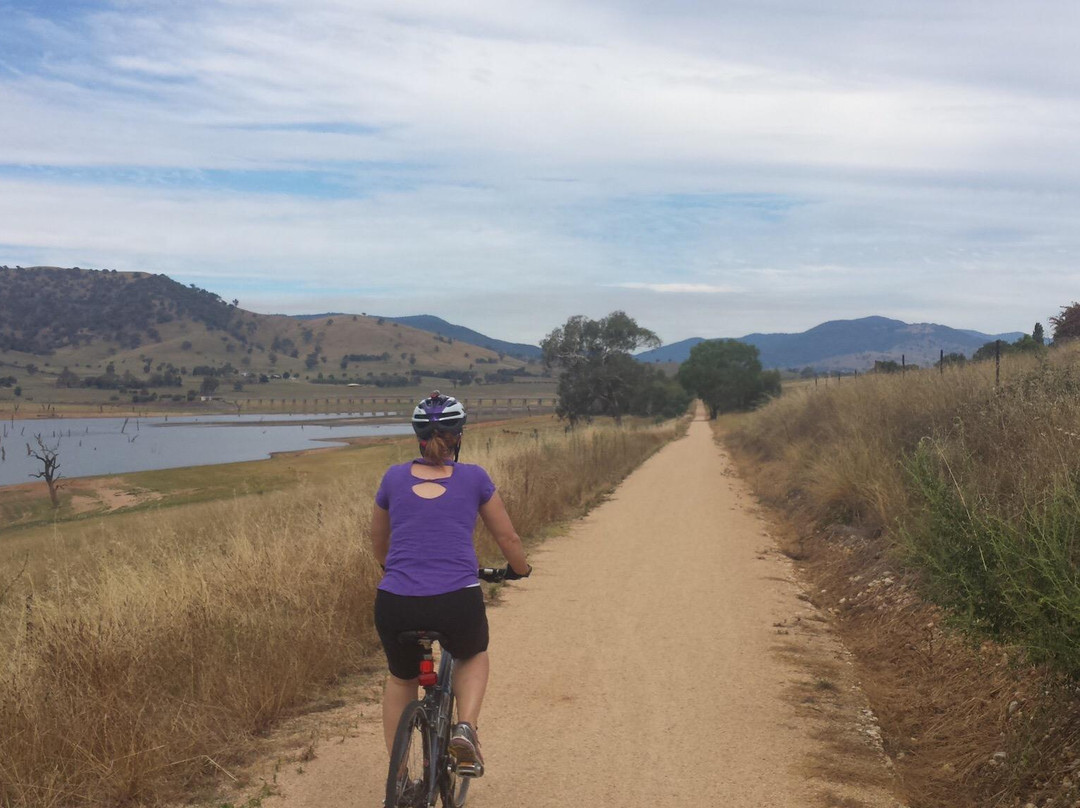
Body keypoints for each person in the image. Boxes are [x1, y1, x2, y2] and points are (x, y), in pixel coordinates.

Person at [371, 391, 531, 776]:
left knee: (401, 677)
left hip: (395, 600)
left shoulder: (393, 477)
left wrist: (388, 567)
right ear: (459, 436)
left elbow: (378, 541)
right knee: (472, 654)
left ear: (418, 435)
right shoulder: (474, 477)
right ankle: (465, 729)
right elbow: (508, 540)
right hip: (455, 600)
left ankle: (399, 775)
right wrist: (520, 570)